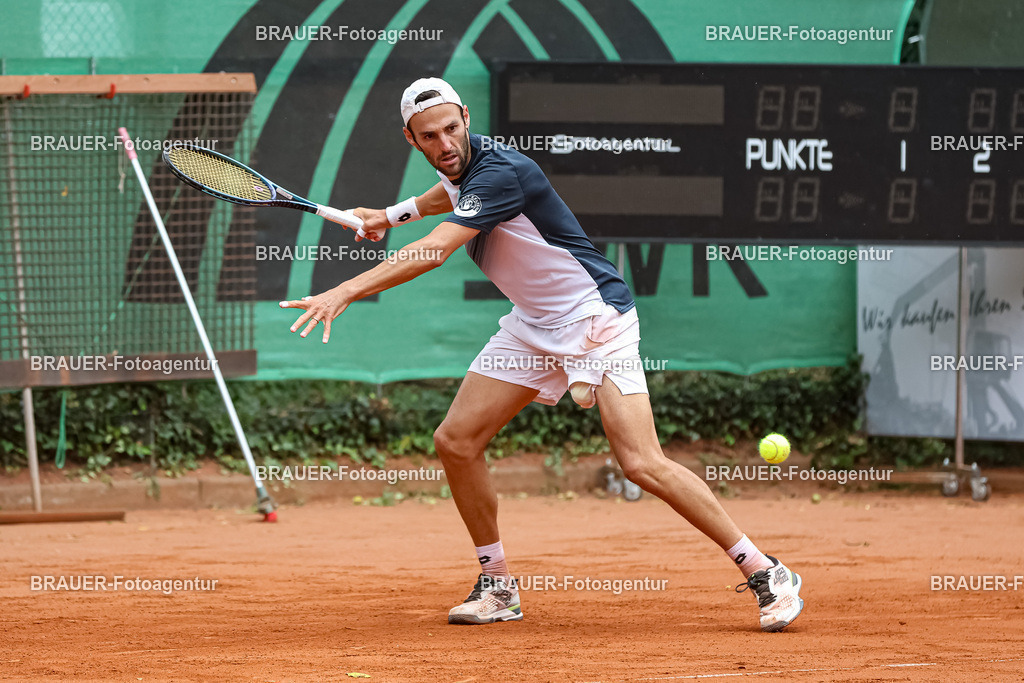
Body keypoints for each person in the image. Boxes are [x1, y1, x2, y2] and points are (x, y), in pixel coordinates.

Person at [280, 77, 804, 631]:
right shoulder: (458, 167)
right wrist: (391, 214)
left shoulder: (502, 171)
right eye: (429, 136)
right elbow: (446, 193)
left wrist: (343, 291)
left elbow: (434, 252)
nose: (445, 144)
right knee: (456, 442)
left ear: (466, 115)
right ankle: (498, 586)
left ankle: (766, 570)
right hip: (533, 327)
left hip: (595, 318)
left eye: (452, 128)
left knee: (641, 463)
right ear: (411, 139)